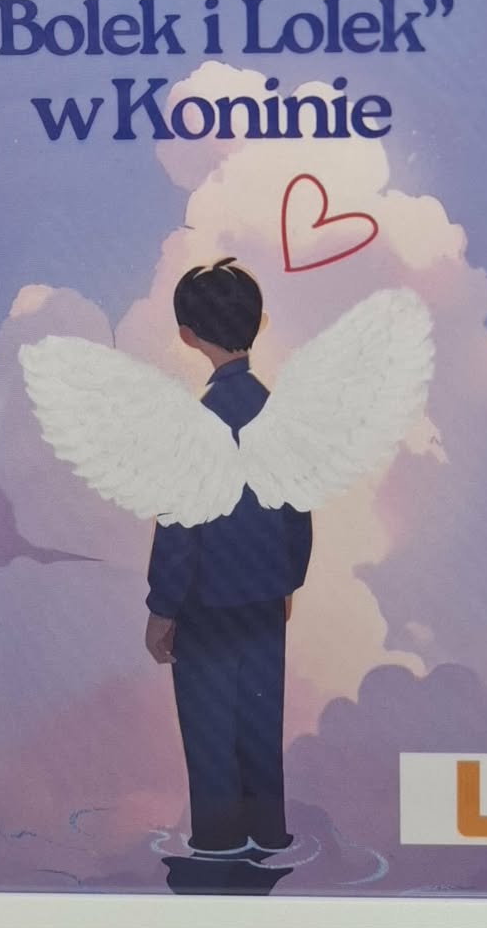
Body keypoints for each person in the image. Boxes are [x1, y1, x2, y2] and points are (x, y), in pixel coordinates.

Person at [143, 258, 313, 856]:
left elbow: (178, 527)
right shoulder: (280, 415)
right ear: (259, 323)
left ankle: (218, 845)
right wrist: (288, 580)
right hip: (266, 596)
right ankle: (269, 836)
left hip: (204, 602)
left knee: (210, 729)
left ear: (188, 335)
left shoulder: (194, 424)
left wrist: (161, 608)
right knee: (260, 724)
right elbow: (298, 509)